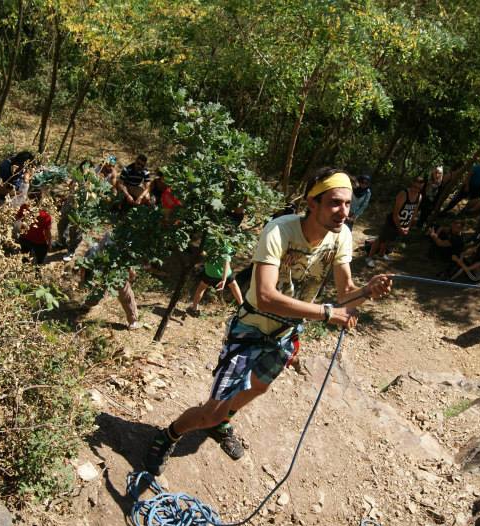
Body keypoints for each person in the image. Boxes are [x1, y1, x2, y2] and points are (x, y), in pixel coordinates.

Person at [144, 168, 393, 476]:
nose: (344, 211)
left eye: (347, 203)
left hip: (284, 335)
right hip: (251, 329)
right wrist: (327, 313)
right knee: (210, 412)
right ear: (312, 203)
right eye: (334, 202)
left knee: (258, 388)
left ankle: (222, 423)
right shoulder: (279, 231)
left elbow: (346, 294)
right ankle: (169, 435)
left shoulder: (341, 235)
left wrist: (367, 291)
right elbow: (265, 296)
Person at [81, 233, 140, 329]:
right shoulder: (109, 236)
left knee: (124, 293)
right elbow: (97, 251)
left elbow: (128, 258)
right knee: (99, 289)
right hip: (103, 267)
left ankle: (133, 319)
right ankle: (89, 303)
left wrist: (130, 271)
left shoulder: (129, 238)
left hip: (118, 270)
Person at [367, 175, 424, 267]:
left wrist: (408, 227)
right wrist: (400, 228)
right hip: (393, 221)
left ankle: (381, 254)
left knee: (390, 239)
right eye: (414, 187)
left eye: (419, 188)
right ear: (412, 184)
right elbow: (395, 213)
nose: (416, 190)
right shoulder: (403, 194)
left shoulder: (419, 197)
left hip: (404, 223)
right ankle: (369, 257)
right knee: (381, 238)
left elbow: (414, 213)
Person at [187, 237, 244, 316]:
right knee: (234, 285)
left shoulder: (208, 239)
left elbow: (202, 252)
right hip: (226, 274)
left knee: (201, 288)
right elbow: (226, 263)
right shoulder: (226, 244)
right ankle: (242, 306)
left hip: (210, 273)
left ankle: (194, 308)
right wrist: (224, 280)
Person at [14, 189, 52, 265]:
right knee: (39, 260)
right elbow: (47, 233)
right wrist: (50, 243)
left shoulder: (24, 207)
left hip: (24, 237)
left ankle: (24, 269)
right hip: (39, 242)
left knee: (25, 257)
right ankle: (38, 270)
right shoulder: (45, 216)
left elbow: (17, 218)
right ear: (40, 199)